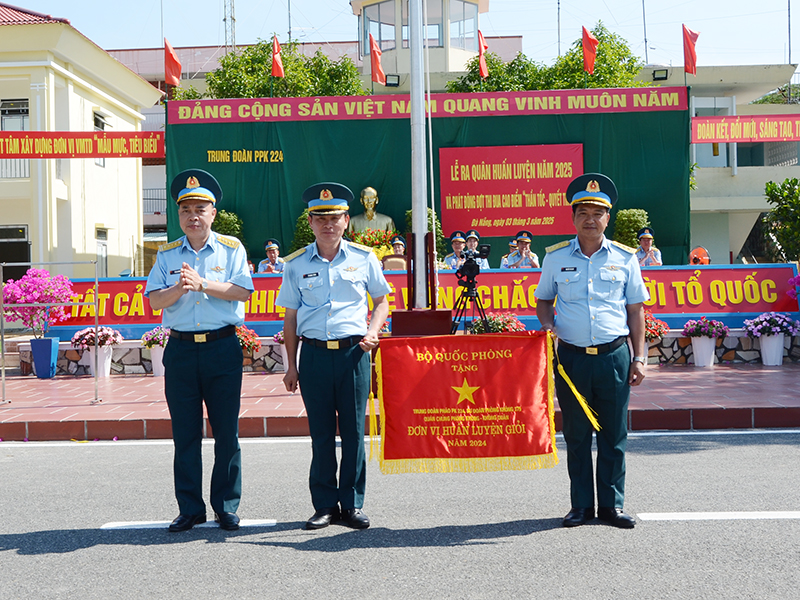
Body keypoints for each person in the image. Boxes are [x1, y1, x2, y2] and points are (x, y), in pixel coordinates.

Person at [534, 173, 648, 530]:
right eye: (583, 211)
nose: (590, 219)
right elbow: (543, 300)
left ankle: (612, 507)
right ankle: (581, 505)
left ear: (607, 218)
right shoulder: (554, 258)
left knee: (613, 434)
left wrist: (640, 357)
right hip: (572, 360)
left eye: (597, 212)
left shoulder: (626, 258)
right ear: (573, 217)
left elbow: (635, 310)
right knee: (578, 435)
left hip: (614, 356)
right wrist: (549, 327)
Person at [277, 182, 391, 531]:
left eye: (335, 218)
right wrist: (291, 366)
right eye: (320, 218)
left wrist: (373, 331)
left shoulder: (364, 258)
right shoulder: (295, 264)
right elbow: (291, 317)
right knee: (322, 434)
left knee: (355, 433)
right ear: (310, 222)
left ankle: (353, 504)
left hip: (353, 354)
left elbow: (382, 300)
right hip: (313, 356)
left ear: (346, 221)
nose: (328, 224)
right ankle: (325, 505)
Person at [145, 169, 254, 532]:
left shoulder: (231, 248)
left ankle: (226, 505)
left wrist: (203, 283)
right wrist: (179, 289)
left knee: (226, 431)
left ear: (213, 214)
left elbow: (242, 291)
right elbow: (153, 301)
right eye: (186, 210)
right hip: (180, 351)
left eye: (200, 209)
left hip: (221, 348)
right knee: (185, 434)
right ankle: (190, 507)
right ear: (179, 216)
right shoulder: (166, 254)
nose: (193, 216)